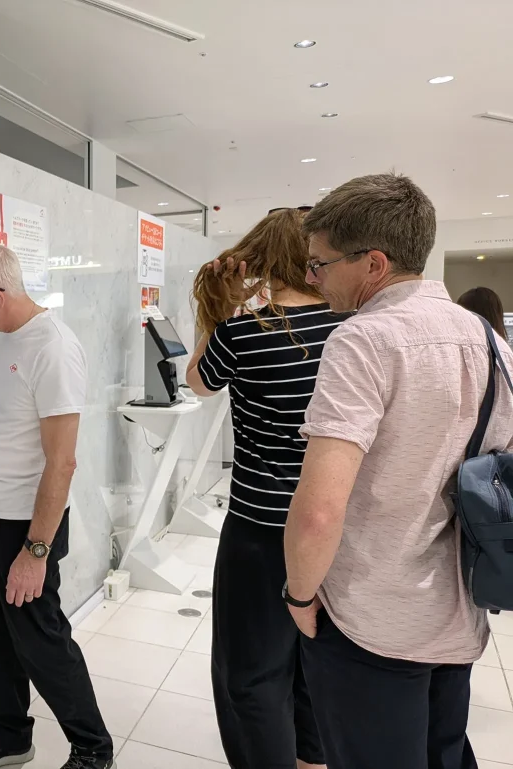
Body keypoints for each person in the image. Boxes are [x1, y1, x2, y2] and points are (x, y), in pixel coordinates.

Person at [283, 173, 513, 769]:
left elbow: (319, 511)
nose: (314, 278)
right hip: (459, 611)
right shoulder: (491, 342)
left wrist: (299, 594)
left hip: (371, 620)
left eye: (320, 263)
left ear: (374, 264)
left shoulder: (363, 341)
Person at [0, 245, 115, 769]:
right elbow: (4, 416)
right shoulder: (6, 336)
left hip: (25, 526)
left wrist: (35, 552)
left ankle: (93, 750)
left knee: (41, 641)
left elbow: (62, 462)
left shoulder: (53, 349)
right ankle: (9, 733)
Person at [185, 208, 343, 769]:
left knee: (250, 675)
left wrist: (220, 309)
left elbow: (198, 382)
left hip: (259, 530)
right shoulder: (350, 329)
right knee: (314, 660)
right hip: (337, 527)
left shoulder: (243, 333)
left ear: (261, 258)